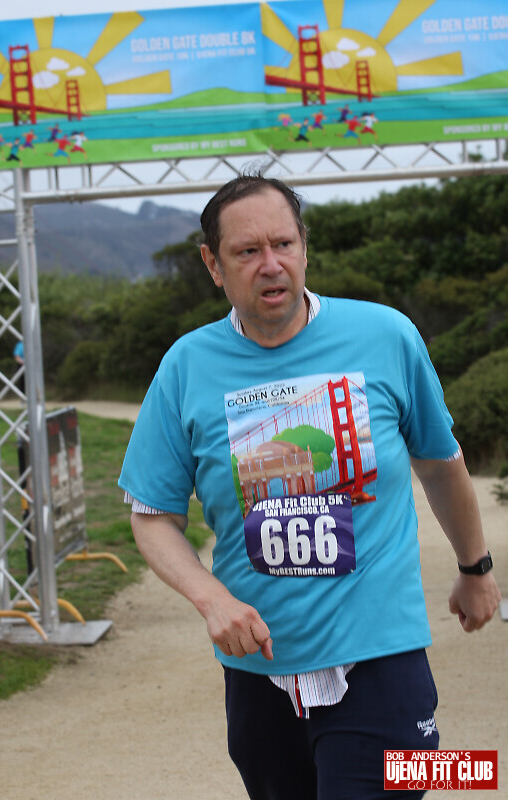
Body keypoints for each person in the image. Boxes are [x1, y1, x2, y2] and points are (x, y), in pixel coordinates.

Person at [118, 173, 500, 800]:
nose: (271, 264)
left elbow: (439, 464)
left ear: (304, 246)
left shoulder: (386, 335)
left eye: (284, 244)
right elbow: (151, 513)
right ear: (213, 265)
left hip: (382, 656)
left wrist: (475, 567)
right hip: (258, 668)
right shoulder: (186, 365)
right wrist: (211, 599)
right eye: (247, 251)